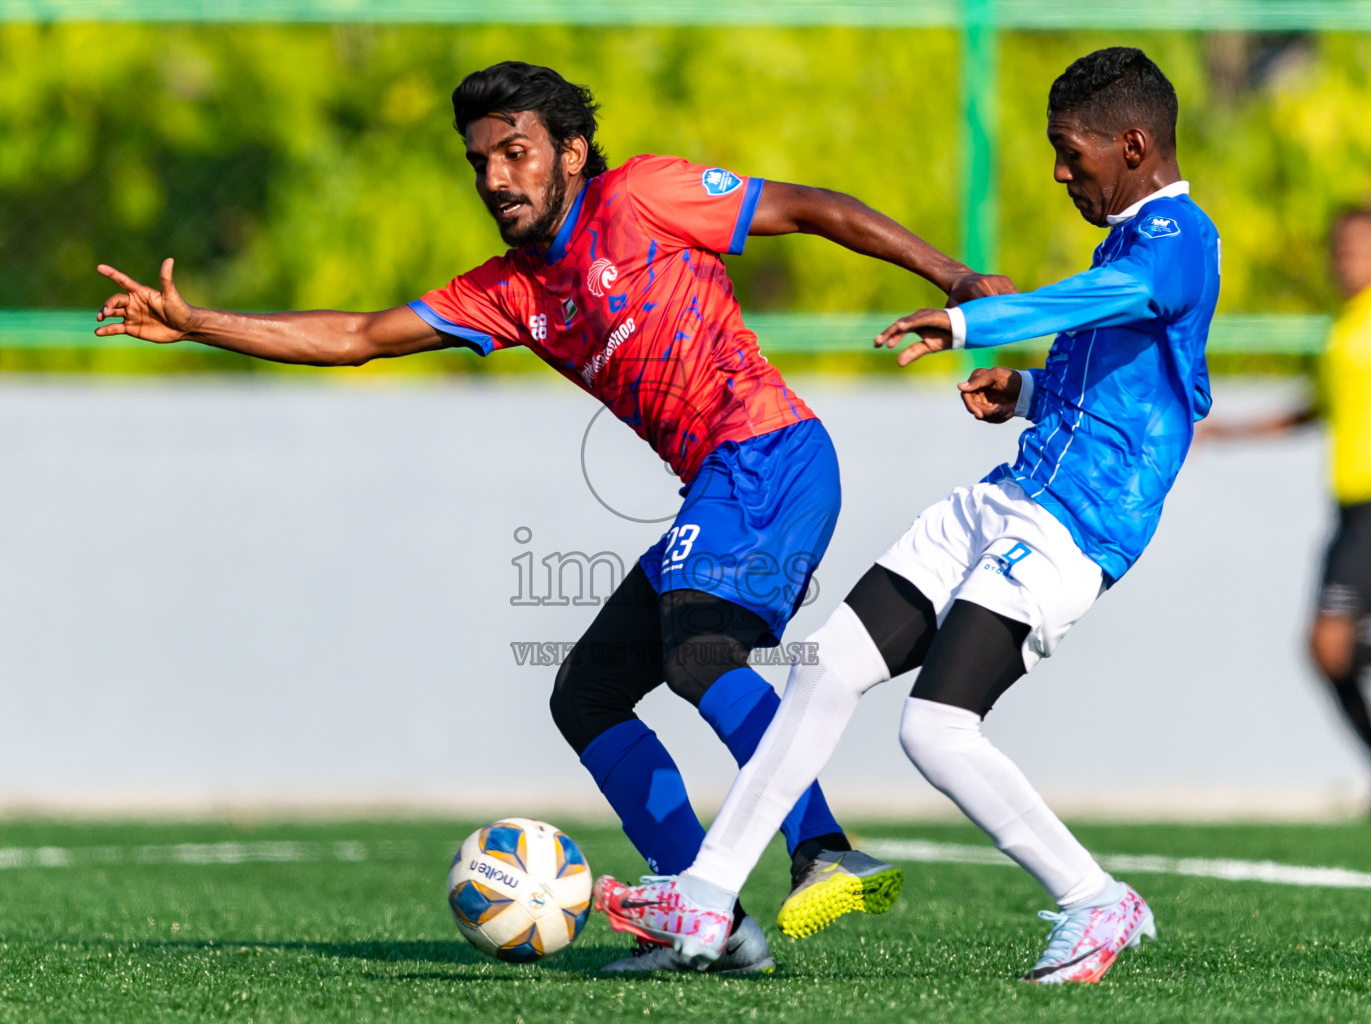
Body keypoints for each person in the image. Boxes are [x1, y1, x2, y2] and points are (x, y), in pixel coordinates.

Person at [92, 61, 1011, 973]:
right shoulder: (510, 290)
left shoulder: (644, 196)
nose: (495, 178)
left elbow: (808, 207)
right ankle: (705, 919)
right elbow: (360, 337)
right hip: (724, 483)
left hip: (770, 454)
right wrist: (205, 322)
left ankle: (823, 851)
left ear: (571, 152)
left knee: (700, 654)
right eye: (479, 161)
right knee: (587, 695)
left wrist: (950, 272)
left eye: (516, 152)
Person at [596, 46, 1220, 985]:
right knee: (828, 668)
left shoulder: (1178, 236)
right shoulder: (1128, 236)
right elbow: (1121, 392)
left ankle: (1097, 902)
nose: (1058, 171)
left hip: (1074, 527)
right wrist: (1020, 396)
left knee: (935, 730)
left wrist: (967, 324)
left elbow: (1105, 305)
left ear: (1133, 145)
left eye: (1069, 151)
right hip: (1009, 495)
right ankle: (708, 891)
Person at [1204, 210, 1371, 814]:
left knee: (1329, 645)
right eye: (1340, 252)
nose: (1347, 262)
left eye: (1361, 250)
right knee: (1325, 652)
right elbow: (1321, 407)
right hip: (1352, 510)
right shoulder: (1345, 327)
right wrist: (1233, 430)